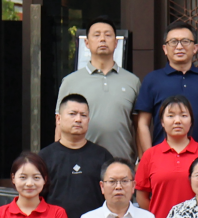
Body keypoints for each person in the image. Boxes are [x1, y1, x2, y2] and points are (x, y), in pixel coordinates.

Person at [55, 16, 140, 161]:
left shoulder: (132, 81)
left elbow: (139, 126)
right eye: (96, 35)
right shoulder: (70, 82)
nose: (102, 39)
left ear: (116, 42)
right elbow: (60, 126)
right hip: (81, 164)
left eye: (108, 35)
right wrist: (59, 161)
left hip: (122, 163)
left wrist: (141, 162)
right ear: (86, 43)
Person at [133, 95, 198, 218]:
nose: (177, 121)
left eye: (183, 115)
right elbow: (141, 196)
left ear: (191, 121)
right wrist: (156, 217)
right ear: (162, 122)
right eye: (170, 116)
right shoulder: (150, 155)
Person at [134, 20, 198, 152]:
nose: (179, 47)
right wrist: (149, 157)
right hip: (162, 156)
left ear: (195, 48)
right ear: (165, 49)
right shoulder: (152, 79)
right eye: (173, 42)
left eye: (185, 41)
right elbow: (143, 124)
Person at [39, 93, 113, 218]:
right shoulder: (44, 157)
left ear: (88, 120)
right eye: (72, 114)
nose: (78, 119)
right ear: (58, 119)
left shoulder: (103, 156)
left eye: (83, 115)